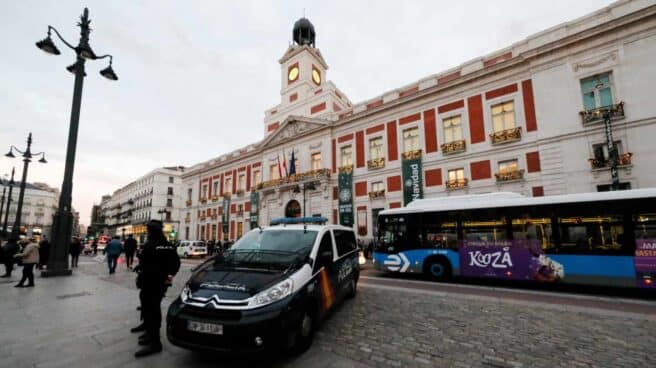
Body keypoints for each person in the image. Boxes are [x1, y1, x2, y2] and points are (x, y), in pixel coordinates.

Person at [132, 220, 180, 358]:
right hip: (154, 282)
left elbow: (147, 261)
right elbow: (175, 264)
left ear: (152, 230)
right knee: (148, 306)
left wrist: (166, 275)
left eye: (148, 229)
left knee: (152, 309)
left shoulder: (154, 244)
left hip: (152, 282)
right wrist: (168, 275)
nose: (147, 231)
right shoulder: (165, 244)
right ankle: (148, 331)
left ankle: (155, 342)